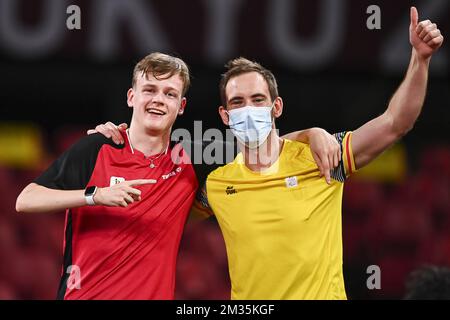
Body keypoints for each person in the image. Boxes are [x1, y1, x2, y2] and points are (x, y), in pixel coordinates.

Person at [93, 7, 443, 300]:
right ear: (225, 117)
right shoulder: (217, 184)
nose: (249, 109)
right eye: (238, 103)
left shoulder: (324, 158)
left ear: (275, 106)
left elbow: (396, 122)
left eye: (258, 100)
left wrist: (420, 60)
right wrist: (110, 145)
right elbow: (157, 223)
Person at [15, 53, 339, 299]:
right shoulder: (98, 146)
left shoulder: (194, 158)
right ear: (132, 97)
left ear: (181, 106)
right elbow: (25, 199)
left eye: (169, 93)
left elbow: (262, 144)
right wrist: (93, 195)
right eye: (150, 90)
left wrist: (312, 133)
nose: (158, 99)